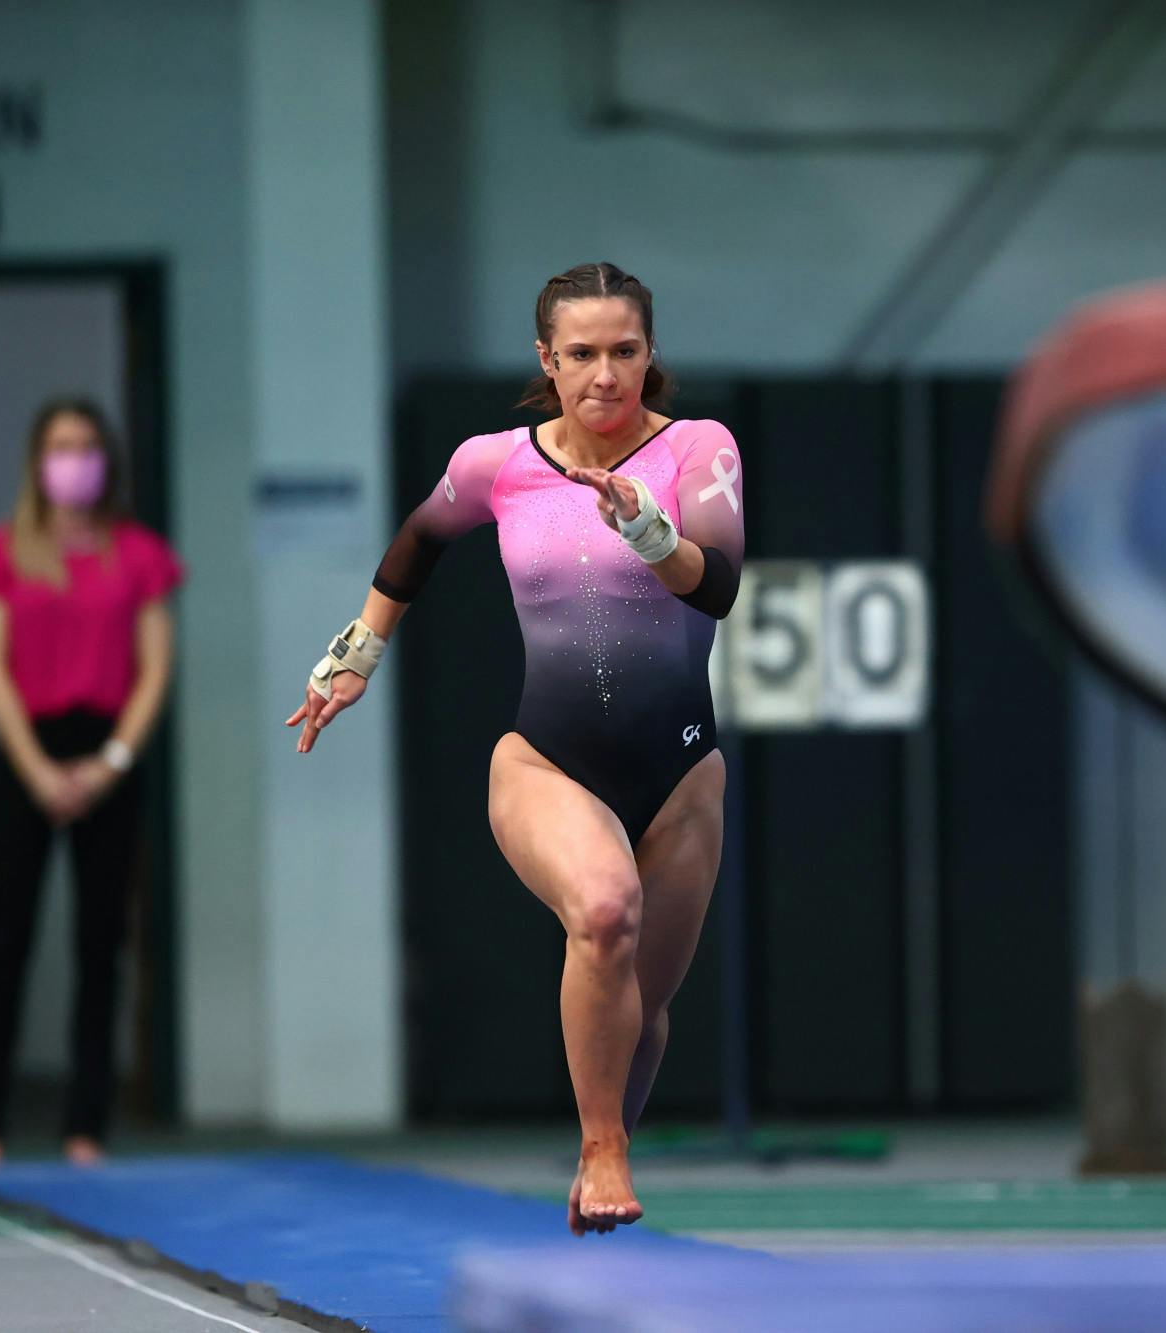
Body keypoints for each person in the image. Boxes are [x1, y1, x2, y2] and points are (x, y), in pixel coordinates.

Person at [288, 262, 744, 1235]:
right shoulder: (498, 464)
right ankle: (602, 1149)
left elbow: (716, 587)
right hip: (546, 759)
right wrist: (355, 653)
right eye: (581, 354)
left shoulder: (695, 448)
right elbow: (416, 540)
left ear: (648, 353)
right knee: (605, 913)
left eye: (624, 351)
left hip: (680, 774)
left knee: (644, 1004)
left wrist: (650, 531)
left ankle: (597, 1181)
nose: (605, 374)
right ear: (547, 358)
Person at [0, 398, 183, 1168]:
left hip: (108, 751)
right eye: (60, 446)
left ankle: (86, 1126)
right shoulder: (0, 552)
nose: (74, 460)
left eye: (86, 446)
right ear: (37, 460)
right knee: (6, 936)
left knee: (101, 940)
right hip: (28, 750)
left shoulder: (138, 554)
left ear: (106, 459)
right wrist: (38, 769)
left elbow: (155, 669)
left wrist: (110, 763)